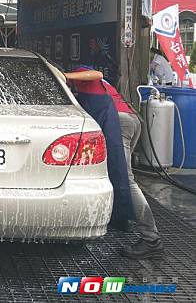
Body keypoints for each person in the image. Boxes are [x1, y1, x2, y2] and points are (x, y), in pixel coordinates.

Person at [64, 67, 162, 259]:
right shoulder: (102, 86)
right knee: (117, 175)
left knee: (126, 179)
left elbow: (96, 74)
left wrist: (66, 76)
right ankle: (121, 217)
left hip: (121, 122)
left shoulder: (81, 73)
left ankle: (152, 239)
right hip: (132, 120)